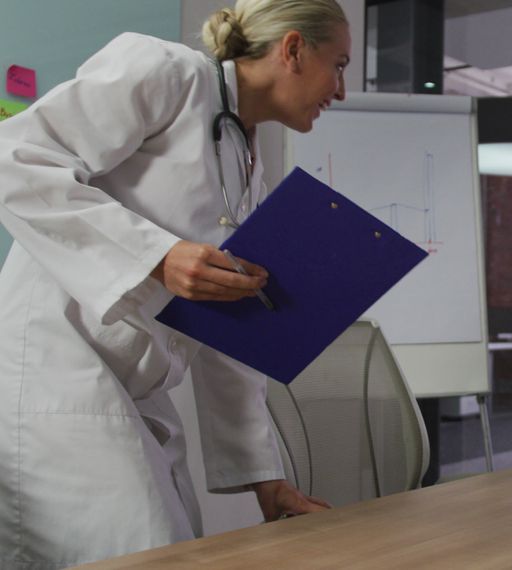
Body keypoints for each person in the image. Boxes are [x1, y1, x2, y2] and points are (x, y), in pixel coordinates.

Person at [0, 1, 350, 566]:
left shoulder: (248, 168)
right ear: (292, 50)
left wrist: (266, 481)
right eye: (338, 65)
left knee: (175, 548)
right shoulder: (167, 72)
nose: (341, 89)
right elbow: (12, 158)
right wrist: (157, 257)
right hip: (53, 371)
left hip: (131, 391)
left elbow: (230, 332)